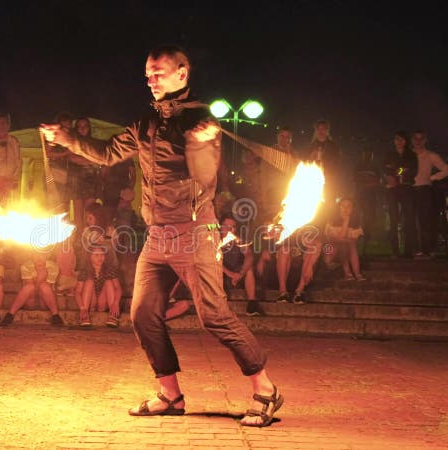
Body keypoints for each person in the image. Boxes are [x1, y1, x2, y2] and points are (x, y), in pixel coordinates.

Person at [41, 45, 282, 427]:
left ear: (182, 74)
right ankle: (170, 395)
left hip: (194, 233)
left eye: (159, 73)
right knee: (142, 313)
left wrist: (201, 145)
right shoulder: (143, 123)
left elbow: (205, 176)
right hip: (157, 235)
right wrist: (66, 137)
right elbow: (105, 153)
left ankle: (266, 390)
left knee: (214, 316)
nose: (151, 79)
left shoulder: (200, 121)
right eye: (148, 74)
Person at [411, 131, 448, 259]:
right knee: (410, 220)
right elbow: (400, 169)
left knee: (424, 220)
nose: (418, 141)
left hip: (424, 189)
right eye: (415, 138)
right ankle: (415, 248)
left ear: (425, 140)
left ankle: (427, 249)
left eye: (420, 138)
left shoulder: (431, 155)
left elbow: (447, 170)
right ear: (412, 140)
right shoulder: (408, 155)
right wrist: (401, 175)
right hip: (409, 190)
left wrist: (432, 177)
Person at [0, 251, 64, 327]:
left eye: (42, 254)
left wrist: (41, 278)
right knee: (29, 287)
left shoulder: (53, 266)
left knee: (44, 286)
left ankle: (55, 315)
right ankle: (10, 314)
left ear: (47, 255)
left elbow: (48, 287)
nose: (39, 257)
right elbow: (29, 285)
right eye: (36, 254)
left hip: (45, 302)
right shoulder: (26, 266)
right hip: (31, 300)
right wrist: (40, 278)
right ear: (32, 255)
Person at [382, 131, 417, 258]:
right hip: (392, 190)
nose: (399, 141)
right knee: (393, 219)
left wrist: (398, 171)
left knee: (409, 219)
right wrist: (391, 176)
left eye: (401, 139)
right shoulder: (389, 154)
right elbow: (385, 169)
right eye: (397, 139)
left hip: (406, 189)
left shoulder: (411, 155)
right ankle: (395, 251)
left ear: (405, 141)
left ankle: (408, 250)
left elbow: (412, 170)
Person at [324, 198, 366, 281]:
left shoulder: (355, 223)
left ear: (353, 209)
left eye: (349, 206)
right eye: (343, 206)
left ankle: (351, 273)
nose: (346, 209)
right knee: (347, 244)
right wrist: (346, 221)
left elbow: (350, 239)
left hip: (344, 251)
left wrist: (347, 221)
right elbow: (338, 238)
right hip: (329, 251)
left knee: (348, 245)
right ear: (339, 207)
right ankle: (355, 273)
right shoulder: (332, 221)